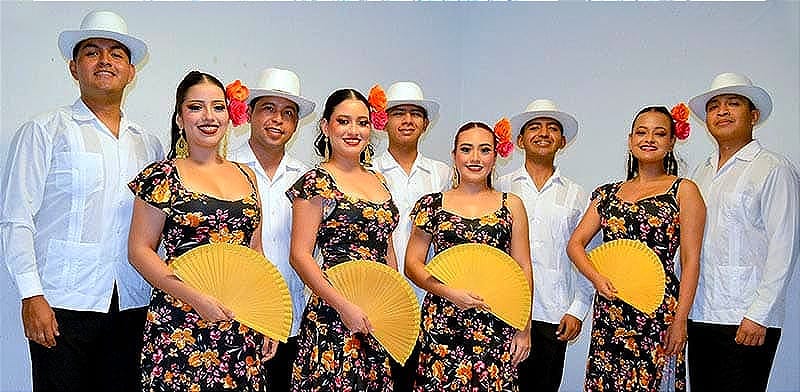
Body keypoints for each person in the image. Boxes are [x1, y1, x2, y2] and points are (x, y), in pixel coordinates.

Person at [0, 10, 162, 391]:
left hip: (131, 302)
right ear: (74, 68)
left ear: (131, 72)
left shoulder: (149, 143)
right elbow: (16, 218)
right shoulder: (43, 130)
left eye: (116, 53)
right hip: (60, 303)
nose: (105, 60)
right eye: (92, 52)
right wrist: (31, 295)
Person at [127, 71, 277, 391]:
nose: (208, 116)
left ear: (229, 116)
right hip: (180, 320)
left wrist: (267, 317)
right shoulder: (162, 175)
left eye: (218, 107)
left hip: (240, 318)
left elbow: (256, 252)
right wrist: (196, 298)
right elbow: (139, 251)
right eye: (196, 107)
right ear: (180, 119)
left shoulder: (247, 175)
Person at [567, 106, 705, 391]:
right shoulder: (607, 193)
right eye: (641, 132)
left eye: (660, 133)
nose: (649, 139)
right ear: (630, 140)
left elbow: (691, 261)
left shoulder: (684, 190)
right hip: (611, 307)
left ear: (671, 142)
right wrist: (596, 277)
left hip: (658, 309)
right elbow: (575, 244)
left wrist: (680, 322)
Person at [687, 72, 800, 391]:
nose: (722, 111)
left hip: (746, 319)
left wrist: (759, 314)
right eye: (714, 106)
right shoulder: (701, 173)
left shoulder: (774, 169)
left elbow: (785, 247)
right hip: (701, 314)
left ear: (753, 116)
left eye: (733, 104)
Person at [404, 121, 533, 391]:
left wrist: (524, 326)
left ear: (495, 156)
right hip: (442, 319)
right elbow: (412, 264)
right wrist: (449, 292)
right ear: (454, 156)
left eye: (484, 150)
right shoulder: (431, 204)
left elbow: (522, 267)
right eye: (466, 149)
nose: (475, 158)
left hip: (498, 318)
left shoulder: (512, 205)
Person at [287, 88, 399, 391]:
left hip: (375, 313)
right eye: (344, 121)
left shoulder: (380, 180)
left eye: (362, 123)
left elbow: (386, 246)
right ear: (326, 127)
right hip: (334, 312)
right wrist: (342, 306)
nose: (354, 130)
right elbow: (299, 255)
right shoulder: (316, 181)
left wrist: (392, 302)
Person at [496, 99, 594, 392]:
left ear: (562, 141)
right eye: (534, 127)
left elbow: (588, 256)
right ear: (520, 139)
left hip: (553, 314)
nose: (543, 133)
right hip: (503, 310)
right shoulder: (500, 186)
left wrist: (577, 309)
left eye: (552, 129)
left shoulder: (577, 195)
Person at [227, 67, 315, 391]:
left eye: (288, 113)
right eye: (269, 108)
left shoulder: (307, 178)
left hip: (293, 316)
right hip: (236, 313)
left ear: (296, 124)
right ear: (249, 113)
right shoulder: (226, 170)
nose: (277, 120)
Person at [371, 81, 450, 391]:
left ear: (425, 123)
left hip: (429, 298)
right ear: (384, 121)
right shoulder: (368, 170)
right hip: (378, 297)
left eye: (415, 114)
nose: (407, 120)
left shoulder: (443, 174)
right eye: (398, 113)